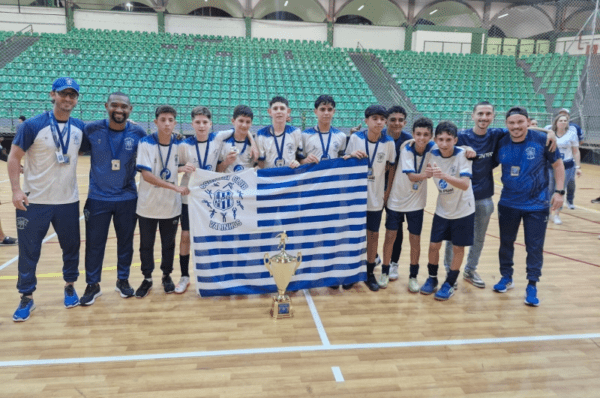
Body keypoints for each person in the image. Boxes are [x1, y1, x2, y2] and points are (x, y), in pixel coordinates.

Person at [443, 102, 556, 289]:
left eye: (488, 114)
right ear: (472, 116)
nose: (483, 117)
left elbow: (523, 127)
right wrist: (461, 149)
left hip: (484, 196)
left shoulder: (497, 135)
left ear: (493, 117)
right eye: (480, 114)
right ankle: (450, 273)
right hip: (459, 196)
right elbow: (439, 144)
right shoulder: (460, 137)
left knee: (478, 238)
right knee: (453, 237)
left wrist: (549, 132)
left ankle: (470, 270)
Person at [8, 77, 85, 321]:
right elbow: (13, 157)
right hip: (34, 202)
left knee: (71, 247)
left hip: (67, 201)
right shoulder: (32, 125)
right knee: (29, 251)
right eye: (63, 94)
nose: (68, 99)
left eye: (72, 95)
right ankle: (26, 296)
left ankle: (70, 285)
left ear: (76, 99)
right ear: (53, 95)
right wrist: (16, 190)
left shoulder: (80, 128)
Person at [77, 92, 147, 306]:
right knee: (94, 244)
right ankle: (92, 284)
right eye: (114, 105)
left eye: (124, 107)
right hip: (98, 197)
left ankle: (123, 280)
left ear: (130, 109)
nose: (119, 110)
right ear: (106, 106)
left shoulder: (138, 132)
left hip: (127, 197)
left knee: (126, 242)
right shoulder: (91, 130)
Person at [493, 106, 564, 307]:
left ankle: (532, 284)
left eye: (520, 122)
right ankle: (506, 277)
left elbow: (558, 166)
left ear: (527, 122)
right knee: (506, 243)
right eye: (511, 123)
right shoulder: (501, 142)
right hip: (508, 203)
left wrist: (559, 192)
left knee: (534, 247)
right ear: (506, 125)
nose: (516, 126)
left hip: (536, 204)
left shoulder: (543, 140)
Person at [135, 105, 189, 298]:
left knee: (168, 244)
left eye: (171, 120)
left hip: (170, 207)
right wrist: (174, 187)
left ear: (175, 123)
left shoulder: (180, 144)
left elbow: (181, 164)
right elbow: (147, 175)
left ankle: (167, 276)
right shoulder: (145, 143)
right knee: (146, 244)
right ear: (156, 122)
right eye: (163, 119)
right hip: (148, 205)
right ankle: (147, 278)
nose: (167, 124)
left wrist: (183, 168)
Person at [420, 121, 475, 301]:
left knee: (458, 247)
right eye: (441, 139)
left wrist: (442, 175)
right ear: (435, 139)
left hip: (463, 210)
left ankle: (449, 283)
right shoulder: (432, 154)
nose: (444, 143)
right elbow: (414, 142)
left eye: (448, 140)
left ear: (455, 140)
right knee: (433, 246)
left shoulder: (462, 156)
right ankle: (432, 278)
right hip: (442, 209)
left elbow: (465, 184)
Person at [344, 105, 396, 292]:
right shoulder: (356, 138)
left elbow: (391, 169)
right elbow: (345, 161)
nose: (379, 122)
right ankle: (352, 271)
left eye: (383, 119)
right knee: (353, 234)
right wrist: (350, 155)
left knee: (372, 235)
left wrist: (386, 193)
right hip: (355, 196)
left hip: (375, 198)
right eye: (375, 118)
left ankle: (368, 273)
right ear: (366, 120)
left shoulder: (389, 142)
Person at [381, 117, 434, 291]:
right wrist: (428, 174)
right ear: (413, 134)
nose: (422, 138)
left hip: (416, 203)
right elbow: (412, 176)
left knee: (415, 240)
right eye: (418, 134)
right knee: (390, 237)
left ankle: (413, 276)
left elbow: (451, 147)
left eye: (426, 135)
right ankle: (384, 271)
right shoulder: (406, 149)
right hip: (396, 200)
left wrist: (467, 148)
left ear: (431, 136)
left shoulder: (433, 149)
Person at [380, 106, 413, 283]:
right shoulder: (379, 136)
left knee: (396, 229)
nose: (397, 123)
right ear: (386, 121)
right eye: (393, 119)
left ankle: (393, 262)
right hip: (376, 188)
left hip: (398, 191)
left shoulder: (410, 141)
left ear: (405, 122)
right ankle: (373, 256)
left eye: (400, 120)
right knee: (370, 225)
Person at [548, 114, 581, 225]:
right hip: (552, 165)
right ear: (556, 122)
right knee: (549, 189)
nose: (563, 122)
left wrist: (578, 167)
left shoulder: (572, 135)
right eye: (560, 120)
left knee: (560, 190)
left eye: (565, 120)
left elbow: (576, 152)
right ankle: (548, 213)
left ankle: (557, 214)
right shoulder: (549, 131)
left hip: (567, 165)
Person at [256, 96, 302, 169]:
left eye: (282, 108)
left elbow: (300, 158)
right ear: (269, 112)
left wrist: (297, 163)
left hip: (290, 177)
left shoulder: (295, 132)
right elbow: (261, 162)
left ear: (288, 111)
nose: (279, 111)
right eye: (275, 108)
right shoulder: (261, 134)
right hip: (270, 178)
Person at [300, 95, 347, 165]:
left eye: (329, 109)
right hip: (313, 175)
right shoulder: (304, 135)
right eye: (322, 109)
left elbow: (343, 162)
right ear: (315, 111)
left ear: (333, 112)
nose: (326, 113)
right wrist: (304, 161)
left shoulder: (341, 136)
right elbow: (298, 161)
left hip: (332, 175)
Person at [217, 105, 258, 173]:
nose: (244, 125)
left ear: (251, 123)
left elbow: (259, 167)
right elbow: (216, 171)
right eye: (241, 121)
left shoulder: (254, 145)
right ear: (233, 121)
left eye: (248, 122)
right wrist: (226, 162)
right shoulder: (223, 142)